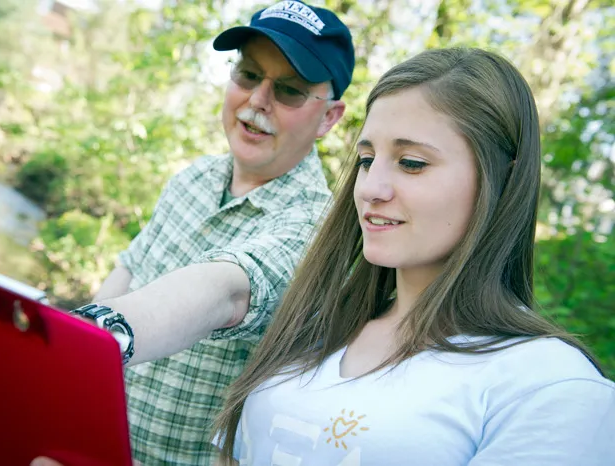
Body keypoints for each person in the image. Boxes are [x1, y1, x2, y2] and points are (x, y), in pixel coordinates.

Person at [212, 47, 615, 465]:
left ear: (502, 180)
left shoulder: (548, 385)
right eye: (367, 160)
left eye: (411, 163)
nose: (371, 188)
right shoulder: (312, 328)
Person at [62, 1, 356, 465]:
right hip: (91, 443)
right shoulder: (192, 179)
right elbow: (127, 272)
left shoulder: (317, 230)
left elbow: (227, 293)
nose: (257, 100)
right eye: (248, 74)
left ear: (329, 118)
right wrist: (68, 367)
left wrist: (79, 340)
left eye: (290, 91)